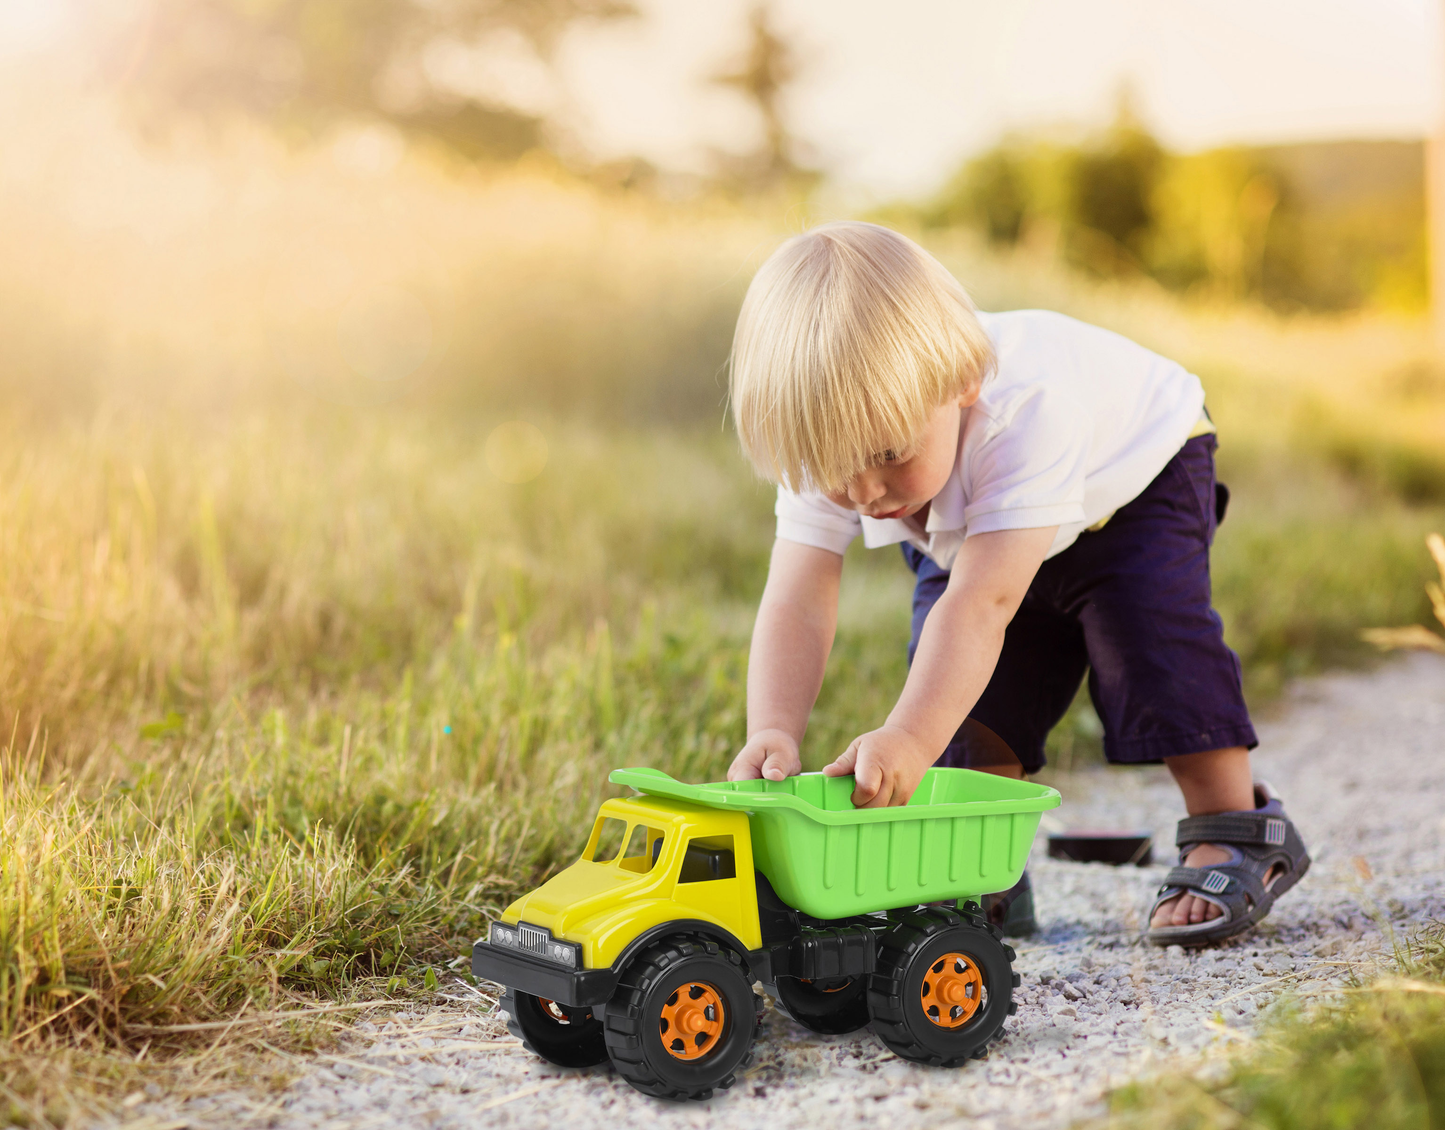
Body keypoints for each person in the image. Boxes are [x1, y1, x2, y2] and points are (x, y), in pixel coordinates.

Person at [723, 221, 1309, 946]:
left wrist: (904, 736)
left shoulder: (1024, 410)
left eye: (888, 454)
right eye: (838, 469)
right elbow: (796, 596)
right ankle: (982, 870)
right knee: (969, 706)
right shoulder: (832, 439)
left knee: (1147, 638)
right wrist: (772, 728)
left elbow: (982, 603)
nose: (867, 490)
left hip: (1131, 483)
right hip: (977, 532)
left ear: (960, 384)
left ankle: (1236, 828)